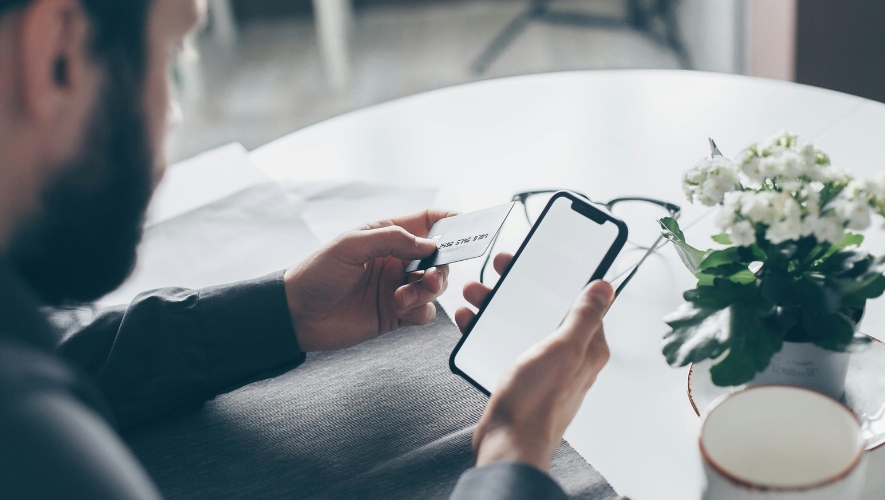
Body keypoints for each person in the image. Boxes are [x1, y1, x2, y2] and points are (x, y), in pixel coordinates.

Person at [0, 0, 613, 498]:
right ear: (58, 55)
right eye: (171, 56)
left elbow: (68, 356)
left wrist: (282, 310)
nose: (172, 119)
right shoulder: (37, 439)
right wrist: (514, 459)